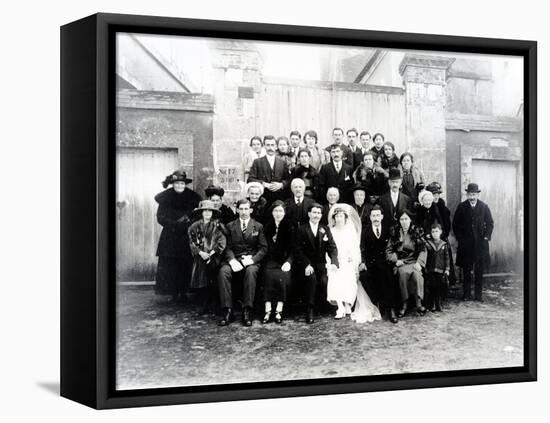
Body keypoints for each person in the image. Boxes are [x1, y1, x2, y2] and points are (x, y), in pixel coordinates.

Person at [326, 204, 382, 323]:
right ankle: (340, 306)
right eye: (337, 216)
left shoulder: (350, 230)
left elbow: (354, 248)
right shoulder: (330, 230)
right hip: (335, 260)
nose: (339, 218)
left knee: (348, 275)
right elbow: (328, 248)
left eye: (341, 216)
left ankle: (347, 304)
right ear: (334, 218)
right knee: (335, 275)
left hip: (348, 260)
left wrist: (353, 260)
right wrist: (330, 262)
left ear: (345, 218)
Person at [217, 199, 268, 327]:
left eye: (247, 209)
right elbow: (226, 247)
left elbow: (263, 248)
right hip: (234, 258)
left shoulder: (258, 226)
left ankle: (247, 310)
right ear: (237, 210)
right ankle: (227, 310)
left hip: (251, 259)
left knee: (251, 271)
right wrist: (232, 260)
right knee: (223, 272)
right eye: (241, 209)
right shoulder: (230, 226)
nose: (244, 212)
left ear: (251, 210)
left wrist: (253, 259)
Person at [154, 170, 201, 302]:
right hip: (170, 235)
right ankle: (172, 293)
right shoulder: (165, 198)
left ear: (185, 184)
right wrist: (173, 224)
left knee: (185, 263)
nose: (180, 186)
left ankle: (184, 292)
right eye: (177, 183)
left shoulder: (192, 197)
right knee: (170, 264)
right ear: (173, 184)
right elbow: (160, 217)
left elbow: (196, 215)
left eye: (182, 183)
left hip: (186, 235)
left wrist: (187, 224)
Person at [294, 202, 339, 324]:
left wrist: (334, 262)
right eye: (314, 212)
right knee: (312, 279)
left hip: (320, 265)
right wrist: (306, 264)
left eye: (319, 213)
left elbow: (332, 247)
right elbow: (298, 250)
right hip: (306, 265)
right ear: (309, 214)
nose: (316, 215)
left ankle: (322, 307)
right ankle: (310, 309)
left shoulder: (325, 229)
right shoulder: (302, 229)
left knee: (324, 281)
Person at [452, 183, 494, 301]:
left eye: (474, 194)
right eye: (470, 194)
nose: (472, 197)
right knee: (466, 269)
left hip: (480, 244)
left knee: (479, 270)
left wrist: (486, 237)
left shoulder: (484, 207)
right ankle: (466, 294)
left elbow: (490, 223)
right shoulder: (462, 207)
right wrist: (460, 238)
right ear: (467, 194)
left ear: (477, 194)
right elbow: (455, 224)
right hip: (466, 244)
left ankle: (478, 295)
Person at [359, 205, 398, 323]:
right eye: (373, 216)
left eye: (377, 215)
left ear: (382, 216)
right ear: (370, 217)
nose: (375, 218)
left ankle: (390, 308)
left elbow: (394, 248)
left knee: (388, 275)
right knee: (364, 276)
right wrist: (363, 262)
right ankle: (377, 303)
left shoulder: (388, 230)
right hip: (371, 263)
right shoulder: (365, 231)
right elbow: (362, 249)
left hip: (385, 262)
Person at [386, 209, 428, 317]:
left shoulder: (416, 232)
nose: (404, 222)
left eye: (406, 219)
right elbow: (389, 250)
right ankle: (404, 304)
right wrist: (395, 260)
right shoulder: (395, 233)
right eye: (402, 219)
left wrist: (419, 262)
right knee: (403, 274)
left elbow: (423, 249)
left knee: (417, 274)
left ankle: (419, 303)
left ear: (410, 220)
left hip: (414, 261)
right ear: (399, 221)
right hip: (402, 262)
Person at [188, 200, 227, 314]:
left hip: (213, 256)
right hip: (200, 257)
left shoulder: (218, 226)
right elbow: (192, 242)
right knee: (200, 278)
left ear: (213, 213)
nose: (207, 213)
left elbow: (222, 242)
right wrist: (201, 253)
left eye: (210, 211)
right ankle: (202, 305)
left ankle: (214, 304)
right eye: (205, 210)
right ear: (201, 212)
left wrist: (211, 253)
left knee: (213, 279)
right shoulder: (194, 226)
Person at [262, 200, 294, 324]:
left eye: (281, 211)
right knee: (268, 276)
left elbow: (294, 248)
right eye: (276, 211)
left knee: (283, 277)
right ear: (272, 212)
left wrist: (289, 262)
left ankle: (279, 310)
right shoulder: (267, 227)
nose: (278, 213)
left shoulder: (290, 226)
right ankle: (268, 309)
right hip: (270, 260)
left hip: (284, 261)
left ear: (284, 213)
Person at [425, 181, 456, 285]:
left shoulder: (442, 206)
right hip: (430, 239)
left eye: (438, 194)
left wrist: (443, 235)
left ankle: (446, 284)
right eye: (434, 194)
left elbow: (447, 224)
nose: (436, 196)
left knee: (445, 260)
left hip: (442, 238)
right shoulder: (427, 207)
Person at [248, 135, 290, 206]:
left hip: (279, 199)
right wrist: (264, 184)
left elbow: (288, 179)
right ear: (264, 146)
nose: (270, 148)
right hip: (263, 199)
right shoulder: (257, 162)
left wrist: (281, 184)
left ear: (276, 146)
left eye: (272, 145)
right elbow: (250, 179)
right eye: (268, 145)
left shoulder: (282, 162)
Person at [425, 223, 450, 312]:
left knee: (439, 287)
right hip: (431, 270)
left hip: (440, 270)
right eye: (433, 232)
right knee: (432, 287)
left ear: (440, 232)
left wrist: (447, 269)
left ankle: (438, 303)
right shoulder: (428, 244)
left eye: (437, 231)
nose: (435, 233)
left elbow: (447, 258)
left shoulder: (444, 244)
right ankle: (432, 304)